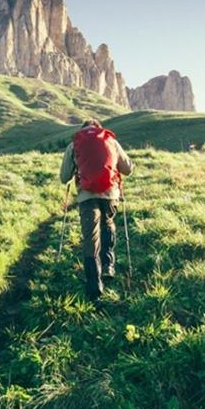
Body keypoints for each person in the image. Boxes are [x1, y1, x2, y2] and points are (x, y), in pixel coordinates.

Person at [60, 119, 133, 302]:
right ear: (99, 128)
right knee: (107, 223)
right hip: (110, 194)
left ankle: (94, 287)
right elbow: (128, 169)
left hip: (86, 196)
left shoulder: (74, 144)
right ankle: (108, 265)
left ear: (82, 129)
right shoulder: (111, 141)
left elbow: (64, 177)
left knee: (90, 238)